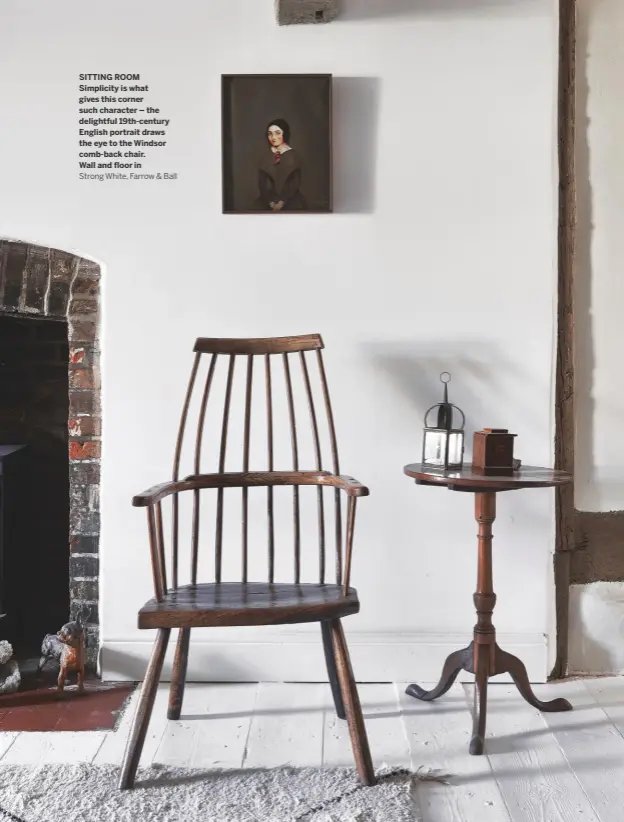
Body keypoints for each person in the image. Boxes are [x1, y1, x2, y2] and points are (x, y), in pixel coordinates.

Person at [255, 119, 307, 211]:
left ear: (284, 134)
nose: (273, 137)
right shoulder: (265, 157)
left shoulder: (293, 156)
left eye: (277, 133)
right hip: (267, 201)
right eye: (270, 134)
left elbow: (295, 182)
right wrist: (270, 202)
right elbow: (262, 184)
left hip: (291, 200)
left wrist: (282, 202)